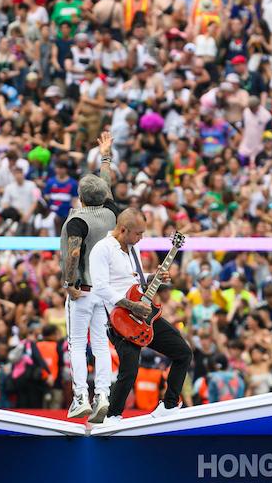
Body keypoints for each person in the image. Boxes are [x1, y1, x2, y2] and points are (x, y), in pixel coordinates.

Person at [90, 209, 192, 424]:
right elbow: (99, 287)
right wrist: (131, 306)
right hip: (119, 318)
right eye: (138, 233)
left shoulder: (132, 248)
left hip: (142, 314)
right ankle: (112, 416)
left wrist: (153, 277)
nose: (141, 238)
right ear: (123, 229)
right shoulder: (102, 249)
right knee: (129, 371)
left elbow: (133, 279)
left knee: (183, 352)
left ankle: (169, 405)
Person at [60, 130, 118, 422]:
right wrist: (105, 157)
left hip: (81, 289)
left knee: (76, 344)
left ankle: (80, 396)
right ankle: (103, 395)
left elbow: (73, 253)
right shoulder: (110, 214)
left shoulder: (77, 220)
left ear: (81, 197)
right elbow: (105, 187)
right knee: (99, 344)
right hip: (102, 291)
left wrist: (69, 283)